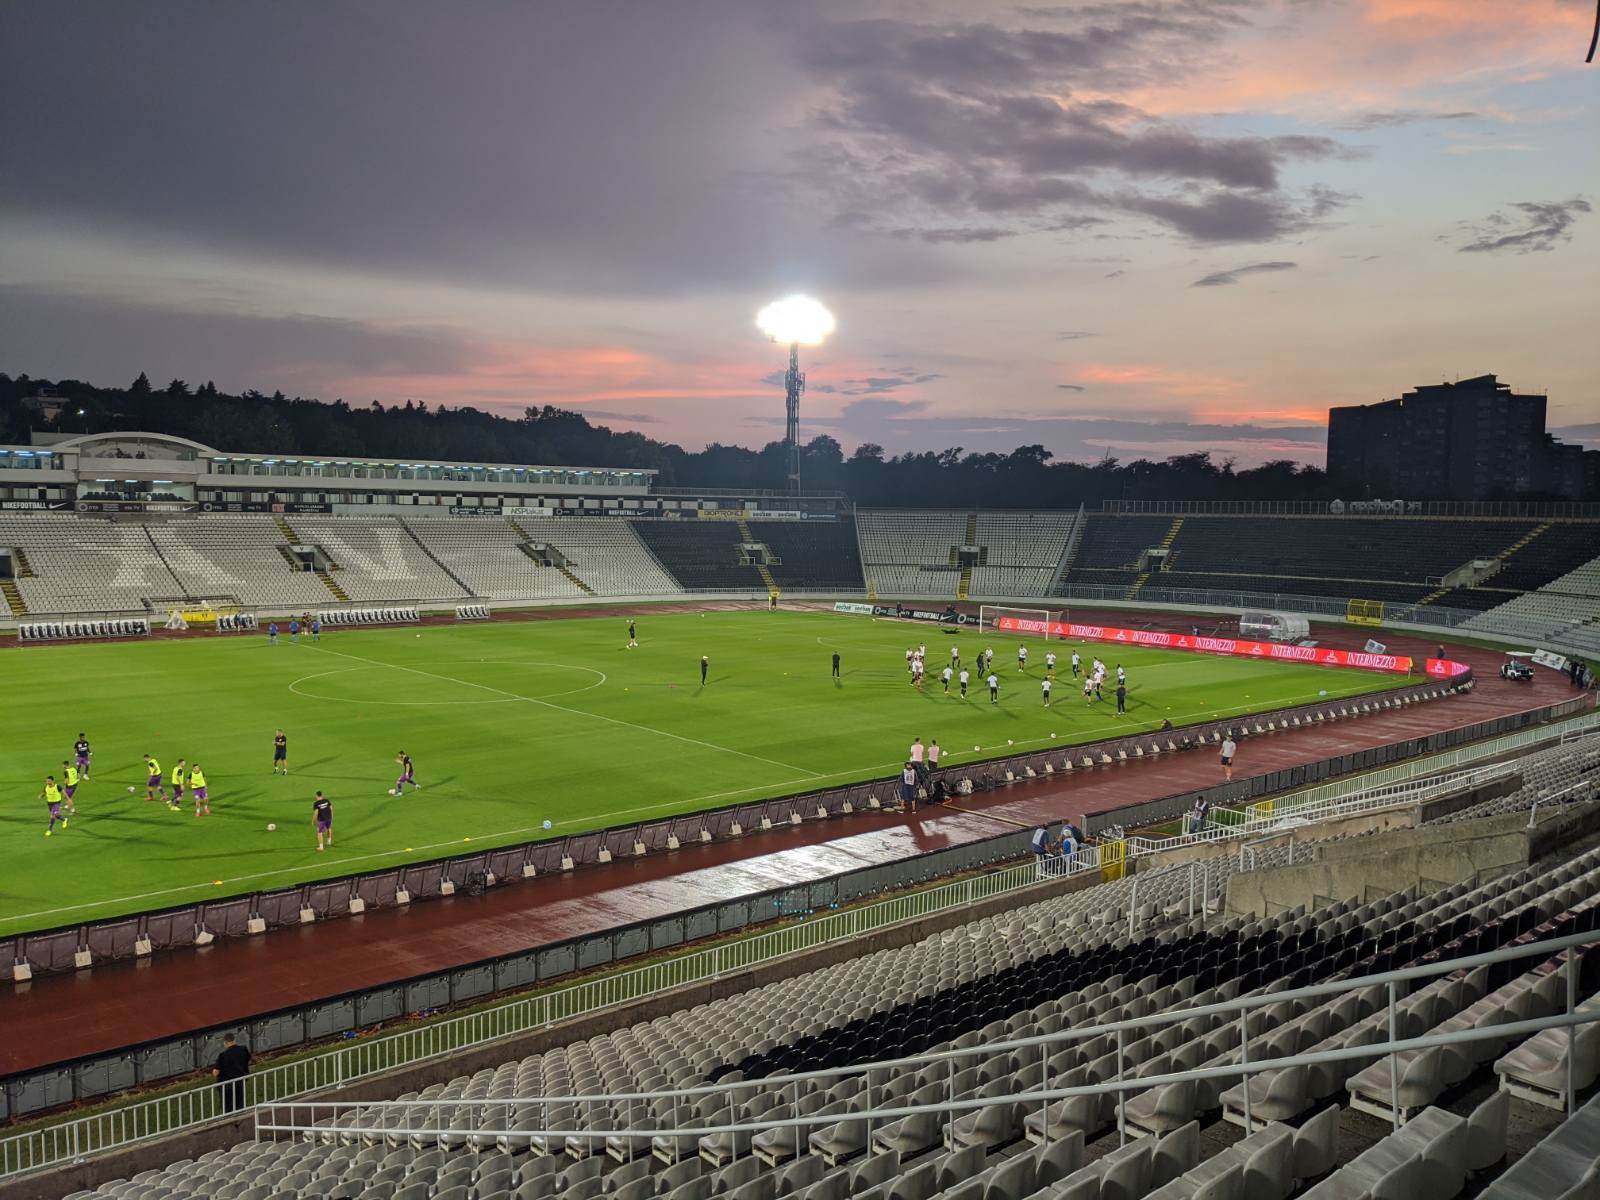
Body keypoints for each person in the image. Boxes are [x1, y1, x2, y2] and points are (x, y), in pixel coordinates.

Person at [214, 1034, 251, 1113]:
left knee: (228, 1106)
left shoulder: (223, 1055)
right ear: (234, 1040)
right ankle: (239, 1120)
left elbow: (216, 1072)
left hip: (226, 1084)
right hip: (240, 1080)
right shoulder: (243, 1049)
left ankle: (230, 1120)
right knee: (239, 1102)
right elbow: (247, 1060)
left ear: (225, 1042)